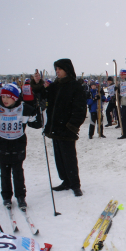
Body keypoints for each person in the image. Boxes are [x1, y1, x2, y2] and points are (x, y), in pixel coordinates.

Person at [32, 58, 86, 197]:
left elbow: (80, 109)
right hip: (55, 128)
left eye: (59, 69)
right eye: (56, 69)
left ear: (67, 70)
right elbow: (43, 95)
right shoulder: (55, 85)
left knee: (69, 158)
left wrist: (71, 126)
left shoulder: (75, 86)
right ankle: (66, 181)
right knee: (59, 158)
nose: (57, 72)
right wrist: (38, 84)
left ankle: (75, 184)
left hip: (67, 129)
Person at [0, 83, 42, 208]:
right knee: (4, 173)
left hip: (18, 145)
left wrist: (39, 109)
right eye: (3, 96)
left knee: (18, 173)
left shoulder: (23, 108)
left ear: (15, 98)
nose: (5, 99)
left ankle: (20, 196)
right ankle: (6, 197)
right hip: (2, 145)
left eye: (8, 97)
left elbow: (38, 124)